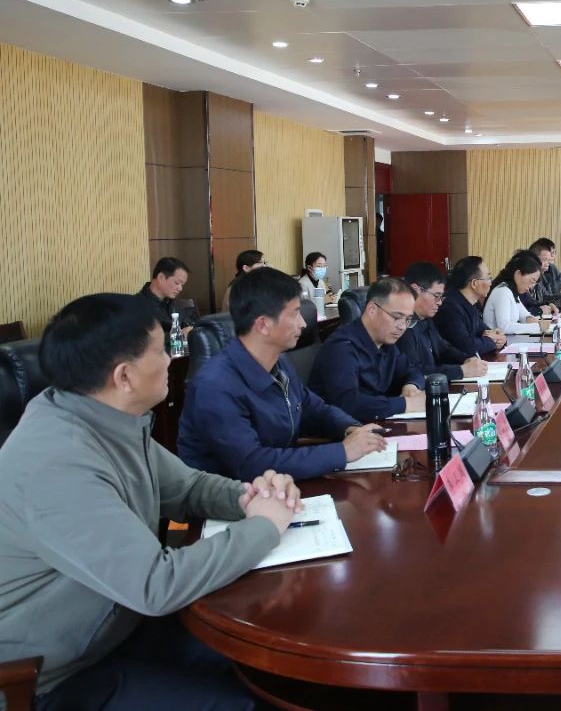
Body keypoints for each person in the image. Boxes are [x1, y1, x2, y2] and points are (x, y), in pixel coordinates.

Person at [0, 293, 303, 709]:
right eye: (162, 351)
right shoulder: (56, 460)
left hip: (118, 626)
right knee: (246, 701)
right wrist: (264, 527)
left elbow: (187, 488)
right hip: (51, 676)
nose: (170, 359)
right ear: (124, 376)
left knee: (266, 664)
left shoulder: (105, 417)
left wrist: (254, 496)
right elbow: (155, 585)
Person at [179, 268, 386, 482]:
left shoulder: (278, 363)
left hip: (279, 486)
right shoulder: (215, 386)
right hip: (233, 496)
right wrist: (342, 452)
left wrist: (350, 428)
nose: (303, 323)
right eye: (295, 313)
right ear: (263, 325)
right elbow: (251, 464)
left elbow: (313, 409)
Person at [309, 277, 426, 421]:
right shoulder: (341, 348)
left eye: (408, 319)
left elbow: (412, 371)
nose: (402, 326)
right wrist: (406, 404)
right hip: (343, 431)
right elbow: (348, 403)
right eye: (397, 317)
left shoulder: (386, 342)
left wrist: (411, 386)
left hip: (377, 424)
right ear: (372, 310)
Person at [399, 262, 488, 381]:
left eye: (441, 297)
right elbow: (414, 371)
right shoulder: (403, 326)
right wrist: (460, 371)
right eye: (436, 296)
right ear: (415, 290)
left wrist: (466, 359)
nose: (440, 302)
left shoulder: (426, 319)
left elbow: (443, 349)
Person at [436, 256, 507, 356]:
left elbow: (486, 331)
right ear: (474, 284)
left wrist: (500, 338)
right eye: (488, 278)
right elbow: (467, 347)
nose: (491, 283)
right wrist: (491, 341)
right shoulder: (450, 308)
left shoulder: (470, 303)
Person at [485, 251, 555, 337]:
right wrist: (538, 327)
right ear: (518, 274)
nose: (531, 287)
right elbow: (504, 327)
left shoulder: (512, 291)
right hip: (496, 344)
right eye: (532, 281)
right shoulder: (503, 291)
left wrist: (534, 320)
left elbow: (524, 315)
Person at [138, 256, 198, 337]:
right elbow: (142, 339)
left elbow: (191, 325)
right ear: (161, 278)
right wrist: (179, 335)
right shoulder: (136, 306)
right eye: (177, 283)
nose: (180, 288)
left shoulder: (175, 304)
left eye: (182, 284)